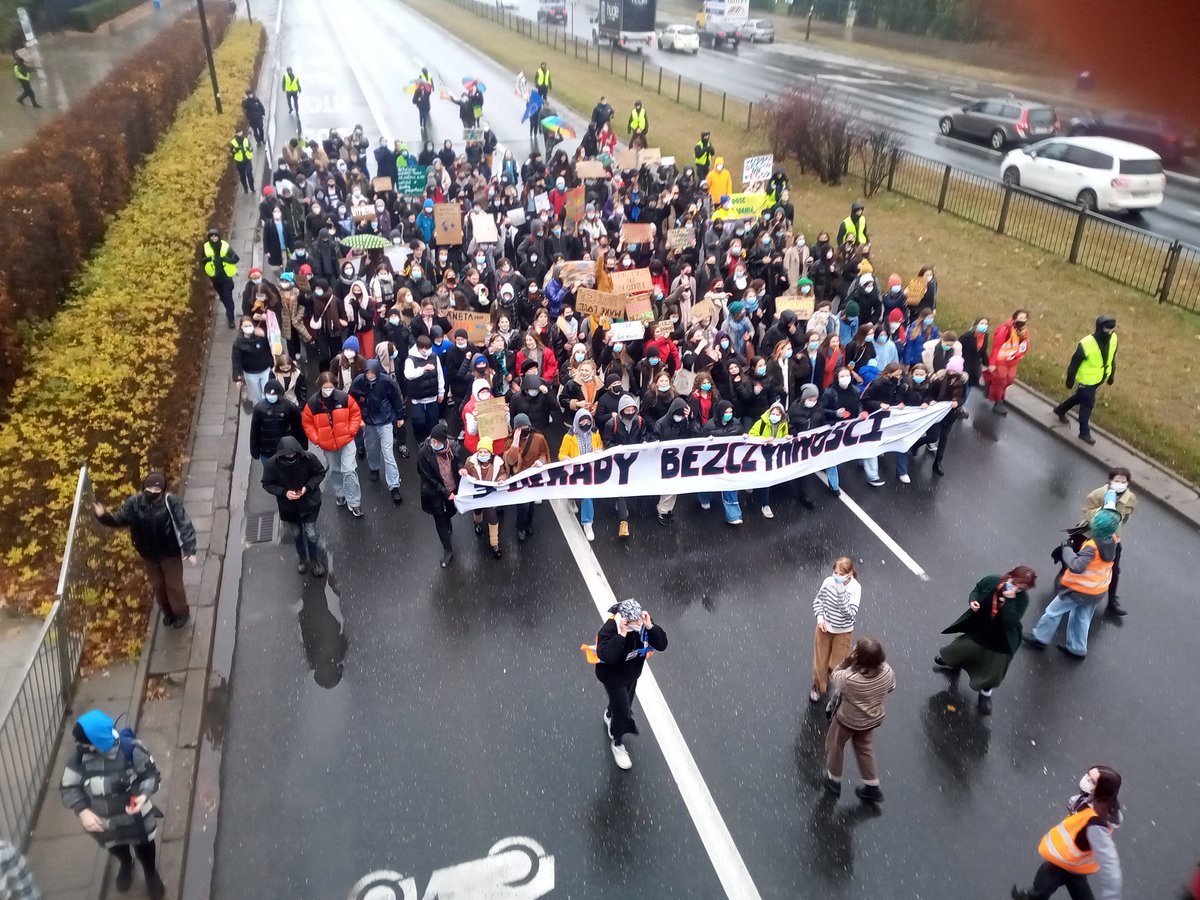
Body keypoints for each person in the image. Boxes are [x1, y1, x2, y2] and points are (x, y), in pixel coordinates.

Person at [61, 709, 166, 900]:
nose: (78, 745)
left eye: (83, 742)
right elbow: (69, 787)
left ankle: (151, 873)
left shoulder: (131, 749)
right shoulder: (78, 758)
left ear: (97, 742)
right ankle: (126, 863)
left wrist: (143, 795)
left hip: (135, 819)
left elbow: (151, 775)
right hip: (106, 823)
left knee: (144, 846)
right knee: (116, 846)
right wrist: (83, 810)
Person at [93, 473, 196, 629]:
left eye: (156, 488)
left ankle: (181, 613)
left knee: (173, 585)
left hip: (170, 552)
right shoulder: (133, 504)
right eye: (149, 487)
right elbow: (119, 520)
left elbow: (184, 524)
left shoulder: (170, 502)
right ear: (144, 487)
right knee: (158, 586)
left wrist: (189, 549)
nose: (152, 491)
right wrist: (103, 516)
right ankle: (168, 613)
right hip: (149, 555)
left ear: (162, 490)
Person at [933, 565, 1037, 715]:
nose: (1017, 588)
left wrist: (1009, 601)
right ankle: (952, 660)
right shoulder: (994, 581)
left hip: (1001, 639)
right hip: (981, 628)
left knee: (993, 671)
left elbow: (1010, 622)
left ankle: (985, 694)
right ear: (1011, 576)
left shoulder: (1021, 599)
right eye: (1016, 584)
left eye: (1022, 587)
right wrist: (973, 600)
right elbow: (978, 588)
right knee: (961, 648)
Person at [1011, 766, 1123, 900]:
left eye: (1092, 781)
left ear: (1101, 790)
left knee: (1039, 894)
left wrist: (1111, 894)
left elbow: (1108, 859)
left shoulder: (1096, 823)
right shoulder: (1087, 801)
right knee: (1039, 893)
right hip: (1068, 865)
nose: (1086, 779)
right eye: (1087, 775)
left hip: (1063, 865)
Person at [1023, 509, 1120, 659]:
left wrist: (1066, 548)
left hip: (1078, 590)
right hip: (1097, 590)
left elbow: (1076, 566)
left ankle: (1040, 638)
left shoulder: (1092, 546)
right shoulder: (1113, 539)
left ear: (1097, 525)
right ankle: (1077, 648)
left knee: (1053, 612)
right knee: (1082, 618)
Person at [587, 598, 668, 771]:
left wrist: (650, 628)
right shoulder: (609, 630)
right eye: (634, 621)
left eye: (639, 619)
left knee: (623, 702)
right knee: (624, 711)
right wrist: (621, 636)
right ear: (624, 620)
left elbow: (662, 644)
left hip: (632, 674)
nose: (638, 623)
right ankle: (617, 742)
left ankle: (610, 714)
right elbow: (607, 656)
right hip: (612, 677)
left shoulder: (643, 626)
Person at [823, 638, 895, 803]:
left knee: (835, 746)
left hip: (847, 721)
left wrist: (846, 662)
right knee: (864, 748)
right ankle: (872, 786)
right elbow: (891, 688)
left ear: (859, 659)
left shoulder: (850, 679)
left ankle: (833, 780)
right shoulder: (887, 672)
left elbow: (835, 676)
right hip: (871, 719)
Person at [261, 436, 327, 576]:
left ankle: (314, 560)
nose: (291, 456)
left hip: (309, 503)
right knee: (297, 533)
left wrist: (307, 487)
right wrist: (284, 493)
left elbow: (320, 473)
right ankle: (303, 558)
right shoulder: (272, 465)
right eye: (287, 455)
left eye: (293, 453)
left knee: (311, 533)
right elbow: (267, 484)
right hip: (289, 507)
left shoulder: (309, 458)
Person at [302, 373, 364, 517]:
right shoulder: (313, 403)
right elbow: (307, 422)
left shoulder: (344, 398)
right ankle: (339, 492)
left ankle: (354, 502)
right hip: (328, 445)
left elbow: (355, 413)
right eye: (325, 388)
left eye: (330, 387)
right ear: (320, 386)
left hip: (346, 441)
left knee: (349, 470)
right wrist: (317, 439)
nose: (328, 390)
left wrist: (351, 431)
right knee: (335, 470)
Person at [1053, 315, 1118, 445]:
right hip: (1086, 380)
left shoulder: (1113, 339)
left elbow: (1112, 357)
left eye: (1112, 329)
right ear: (1100, 328)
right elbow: (1074, 363)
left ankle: (1060, 410)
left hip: (1099, 377)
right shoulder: (1086, 343)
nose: (1109, 332)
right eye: (1107, 329)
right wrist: (1070, 379)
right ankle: (1084, 432)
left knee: (1079, 397)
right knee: (1087, 405)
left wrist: (1111, 375)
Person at [1080, 468, 1136, 615]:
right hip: (1092, 535)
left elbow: (1126, 517)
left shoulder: (1130, 499)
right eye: (1117, 480)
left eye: (1124, 481)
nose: (1120, 484)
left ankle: (1111, 602)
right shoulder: (1098, 494)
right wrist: (1101, 516)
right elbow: (1087, 509)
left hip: (1113, 539)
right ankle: (1070, 587)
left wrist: (1115, 528)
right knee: (1081, 562)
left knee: (1114, 569)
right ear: (1110, 480)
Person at [349, 360, 405, 504]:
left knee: (388, 453)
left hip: (385, 420)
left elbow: (396, 399)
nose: (370, 375)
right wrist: (358, 418)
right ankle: (374, 467)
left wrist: (400, 416)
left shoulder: (387, 381)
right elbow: (351, 402)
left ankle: (394, 486)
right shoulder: (359, 382)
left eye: (373, 372)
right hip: (368, 422)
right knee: (371, 448)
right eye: (368, 372)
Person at [810, 558, 862, 704]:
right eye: (835, 572)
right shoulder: (828, 582)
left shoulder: (855, 588)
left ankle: (831, 678)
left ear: (849, 574)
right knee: (820, 660)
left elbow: (850, 613)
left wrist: (840, 593)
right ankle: (818, 685)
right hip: (824, 628)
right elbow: (818, 601)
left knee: (837, 663)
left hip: (843, 631)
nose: (836, 576)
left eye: (840, 574)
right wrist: (820, 619)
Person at [417, 423, 467, 568]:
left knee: (451, 511)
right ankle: (448, 550)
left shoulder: (454, 447)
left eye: (437, 442)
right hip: (434, 491)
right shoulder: (423, 453)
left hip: (452, 487)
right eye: (433, 441)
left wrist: (461, 468)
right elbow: (427, 477)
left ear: (445, 441)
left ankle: (447, 521)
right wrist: (444, 492)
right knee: (439, 520)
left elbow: (459, 461)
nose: (434, 444)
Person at [503, 413, 551, 542]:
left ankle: (528, 524)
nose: (524, 428)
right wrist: (515, 443)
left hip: (533, 476)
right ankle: (520, 527)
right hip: (519, 478)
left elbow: (543, 453)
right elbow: (511, 461)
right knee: (522, 505)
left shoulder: (539, 438)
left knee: (531, 503)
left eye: (526, 425)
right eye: (520, 427)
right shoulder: (510, 441)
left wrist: (540, 462)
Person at [560, 408, 604, 541]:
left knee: (587, 496)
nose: (585, 424)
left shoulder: (595, 433)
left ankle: (587, 522)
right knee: (575, 490)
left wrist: (599, 451)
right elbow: (562, 453)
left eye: (587, 421)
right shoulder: (569, 437)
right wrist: (565, 459)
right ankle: (571, 499)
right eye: (582, 421)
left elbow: (600, 447)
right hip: (575, 470)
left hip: (590, 469)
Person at [697, 400, 743, 525]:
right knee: (708, 481)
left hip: (728, 461)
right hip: (711, 461)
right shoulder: (708, 426)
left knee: (730, 486)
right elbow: (699, 444)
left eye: (731, 412)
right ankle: (704, 498)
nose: (729, 414)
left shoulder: (737, 424)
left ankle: (734, 516)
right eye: (726, 412)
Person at [463, 437, 509, 559]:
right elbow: (465, 472)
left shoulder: (498, 463)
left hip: (489, 497)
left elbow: (504, 473)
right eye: (480, 452)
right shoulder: (470, 462)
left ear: (491, 453)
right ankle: (477, 523)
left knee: (493, 519)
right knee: (477, 511)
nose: (482, 454)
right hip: (477, 496)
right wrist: (463, 471)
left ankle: (494, 544)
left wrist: (502, 479)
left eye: (485, 452)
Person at [249, 379, 306, 466]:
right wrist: (254, 450)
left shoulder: (289, 406)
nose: (271, 396)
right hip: (267, 451)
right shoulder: (259, 408)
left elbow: (298, 427)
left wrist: (302, 445)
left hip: (286, 450)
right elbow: (255, 431)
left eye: (274, 394)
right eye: (269, 394)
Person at [748, 400, 787, 518]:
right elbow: (751, 435)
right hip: (760, 453)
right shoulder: (761, 423)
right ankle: (765, 504)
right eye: (773, 414)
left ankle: (765, 503)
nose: (775, 416)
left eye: (777, 414)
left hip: (773, 455)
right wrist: (764, 439)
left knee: (767, 478)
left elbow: (783, 436)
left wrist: (787, 437)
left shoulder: (783, 425)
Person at [987, 309, 1030, 415]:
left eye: (1025, 318)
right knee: (1001, 381)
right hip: (1001, 360)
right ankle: (998, 402)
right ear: (1014, 318)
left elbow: (1024, 346)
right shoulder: (1005, 330)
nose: (1023, 320)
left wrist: (1017, 355)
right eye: (1021, 318)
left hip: (1012, 361)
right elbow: (996, 347)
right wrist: (992, 363)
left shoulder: (1024, 331)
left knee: (1009, 380)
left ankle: (991, 384)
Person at [404, 335, 445, 445]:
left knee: (433, 421)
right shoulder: (410, 359)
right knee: (418, 421)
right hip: (417, 398)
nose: (425, 351)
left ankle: (432, 440)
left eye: (427, 348)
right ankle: (420, 440)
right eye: (422, 348)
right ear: (417, 347)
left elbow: (440, 374)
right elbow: (408, 375)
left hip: (432, 396)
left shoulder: (434, 357)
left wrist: (441, 391)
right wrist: (423, 369)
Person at [199, 227, 239, 328]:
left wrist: (226, 259)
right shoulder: (206, 247)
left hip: (225, 277)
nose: (213, 238)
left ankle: (231, 319)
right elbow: (202, 260)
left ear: (218, 236)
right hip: (215, 278)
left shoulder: (224, 246)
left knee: (228, 298)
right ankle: (228, 309)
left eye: (215, 236)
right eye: (211, 236)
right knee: (223, 297)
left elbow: (235, 258)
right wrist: (208, 259)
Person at [231, 316, 274, 405]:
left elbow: (270, 349)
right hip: (251, 374)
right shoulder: (238, 343)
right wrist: (237, 378)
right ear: (241, 328)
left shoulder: (260, 337)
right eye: (245, 326)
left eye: (250, 325)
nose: (248, 328)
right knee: (257, 396)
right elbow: (236, 361)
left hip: (265, 370)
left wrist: (273, 364)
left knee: (268, 393)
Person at [230, 129, 255, 194]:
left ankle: (252, 187)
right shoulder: (233, 142)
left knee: (249, 174)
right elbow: (232, 151)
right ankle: (245, 188)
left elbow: (250, 147)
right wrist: (235, 150)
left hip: (247, 160)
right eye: (238, 133)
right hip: (239, 162)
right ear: (236, 134)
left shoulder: (246, 140)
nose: (240, 134)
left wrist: (250, 149)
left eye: (241, 132)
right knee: (242, 176)